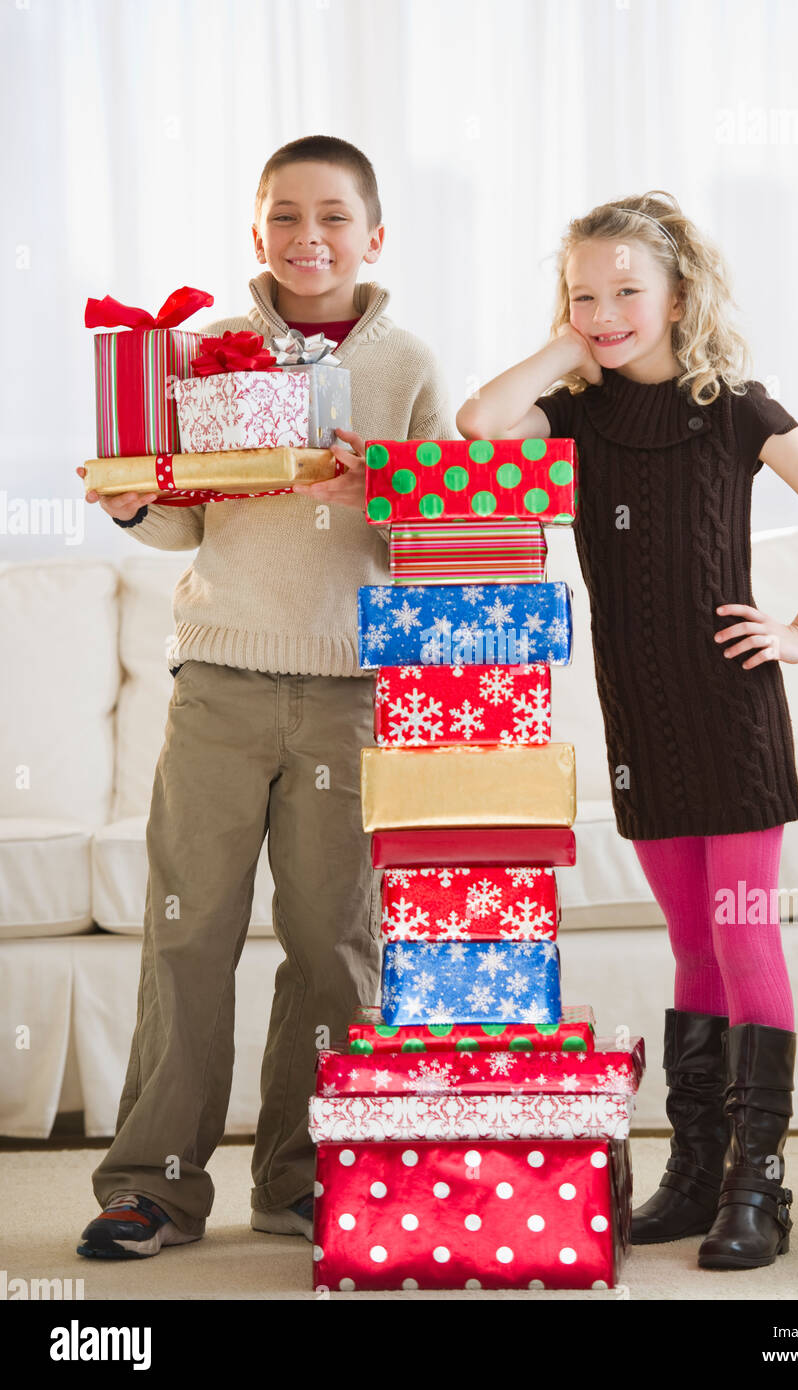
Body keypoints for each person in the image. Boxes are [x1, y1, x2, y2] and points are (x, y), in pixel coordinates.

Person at [456, 190, 798, 1270]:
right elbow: (477, 425)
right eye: (582, 293)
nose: (603, 312)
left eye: (625, 292)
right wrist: (563, 347)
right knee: (690, 942)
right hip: (639, 715)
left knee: (741, 933)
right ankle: (693, 1175)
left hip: (729, 714)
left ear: (678, 295)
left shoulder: (732, 406)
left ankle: (758, 1182)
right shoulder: (580, 415)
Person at [75, 134, 453, 1259]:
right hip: (223, 682)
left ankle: (305, 1176)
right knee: (188, 932)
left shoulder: (409, 365)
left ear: (372, 236)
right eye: (284, 217)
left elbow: (440, 533)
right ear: (256, 233)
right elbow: (186, 517)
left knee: (334, 943)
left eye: (332, 217)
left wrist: (376, 485)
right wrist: (128, 496)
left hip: (350, 689)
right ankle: (154, 1184)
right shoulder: (203, 352)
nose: (308, 238)